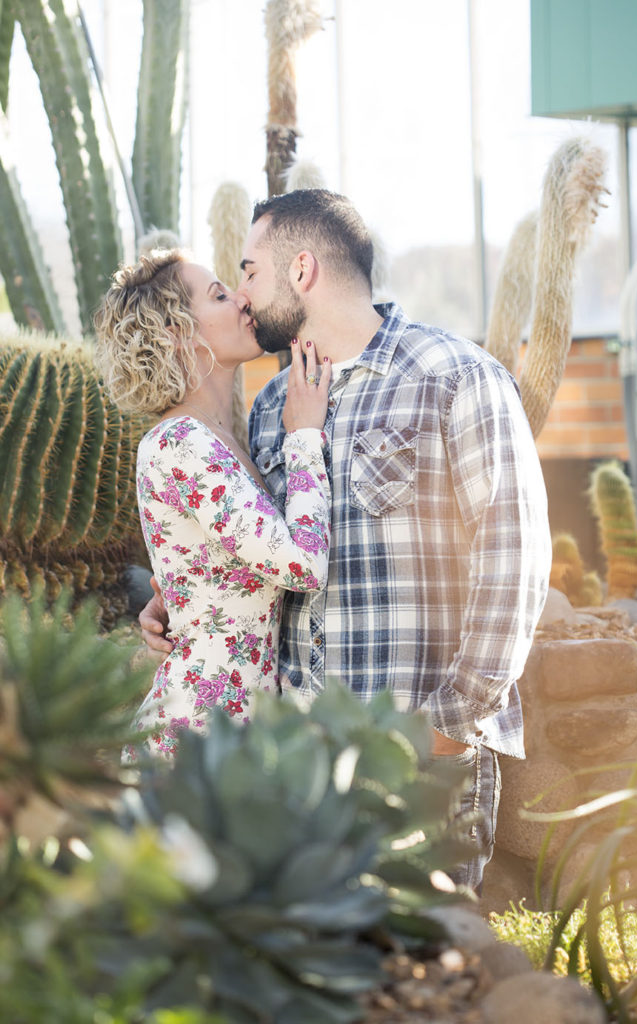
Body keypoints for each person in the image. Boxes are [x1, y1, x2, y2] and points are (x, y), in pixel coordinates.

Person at [140, 191, 551, 890]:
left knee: (420, 978)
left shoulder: (453, 377)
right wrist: (175, 598)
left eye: (247, 271)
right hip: (294, 764)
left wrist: (450, 729)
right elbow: (258, 547)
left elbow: (513, 564)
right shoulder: (271, 408)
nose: (240, 295)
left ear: (300, 271)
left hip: (417, 755)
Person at [94, 249, 332, 760]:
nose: (243, 298)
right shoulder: (180, 441)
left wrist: (175, 598)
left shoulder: (222, 440)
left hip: (232, 737)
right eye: (220, 295)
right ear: (180, 333)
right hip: (193, 741)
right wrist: (306, 436)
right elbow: (302, 564)